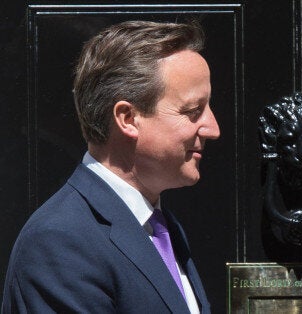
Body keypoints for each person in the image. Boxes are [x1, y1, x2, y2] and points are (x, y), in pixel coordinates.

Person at [2, 20, 219, 313]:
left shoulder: (162, 227)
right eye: (193, 111)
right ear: (128, 118)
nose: (213, 129)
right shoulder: (61, 241)